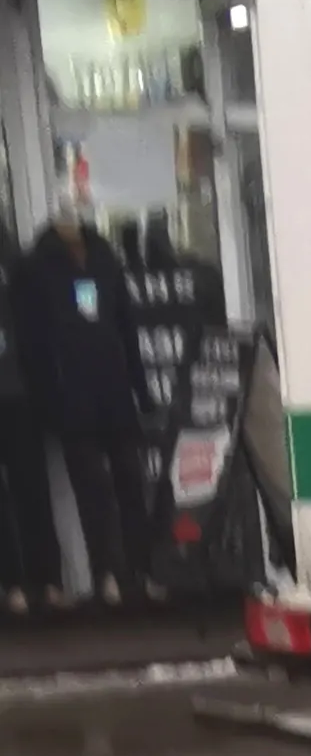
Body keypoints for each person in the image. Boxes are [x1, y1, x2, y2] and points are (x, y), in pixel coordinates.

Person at [14, 189, 163, 606]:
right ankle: (106, 575)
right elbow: (32, 342)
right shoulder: (36, 266)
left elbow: (127, 327)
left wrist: (142, 391)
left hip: (113, 389)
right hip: (72, 395)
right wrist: (48, 398)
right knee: (93, 491)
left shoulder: (103, 255)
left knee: (131, 481)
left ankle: (141, 570)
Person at [0, 229, 62, 613]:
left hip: (22, 395)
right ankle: (24, 583)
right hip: (21, 393)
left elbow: (39, 334)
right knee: (28, 493)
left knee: (31, 492)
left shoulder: (20, 267)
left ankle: (38, 582)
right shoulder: (19, 265)